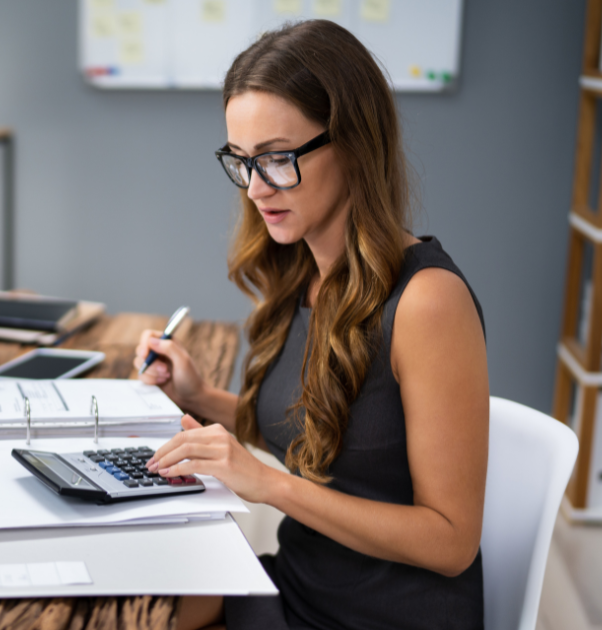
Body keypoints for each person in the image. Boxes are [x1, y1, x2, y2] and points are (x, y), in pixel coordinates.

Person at [134, 20, 488, 630]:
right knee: (126, 602)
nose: (254, 188)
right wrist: (198, 397)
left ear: (352, 143)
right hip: (299, 582)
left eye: (276, 158)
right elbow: (322, 438)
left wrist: (269, 486)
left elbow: (451, 542)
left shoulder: (428, 301)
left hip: (382, 616)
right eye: (241, 162)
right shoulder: (308, 275)